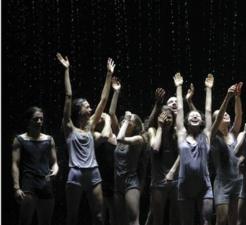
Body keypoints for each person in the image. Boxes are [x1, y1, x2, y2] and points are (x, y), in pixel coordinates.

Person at [56, 53, 113, 225]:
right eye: (87, 105)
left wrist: (109, 75)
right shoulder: (68, 127)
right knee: (72, 217)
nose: (90, 107)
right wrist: (66, 70)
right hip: (75, 173)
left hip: (93, 172)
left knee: (99, 216)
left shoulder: (90, 127)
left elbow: (103, 100)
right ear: (79, 109)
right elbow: (68, 96)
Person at [174, 73, 214, 225]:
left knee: (206, 222)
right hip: (184, 187)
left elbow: (208, 111)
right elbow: (179, 109)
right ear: (187, 120)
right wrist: (178, 87)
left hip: (204, 187)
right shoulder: (181, 134)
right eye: (192, 115)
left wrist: (208, 89)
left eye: (198, 115)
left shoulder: (206, 135)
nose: (195, 116)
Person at [11, 106, 59, 225]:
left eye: (41, 119)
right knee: (24, 221)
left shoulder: (49, 139)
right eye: (36, 119)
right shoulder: (20, 139)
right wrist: (16, 188)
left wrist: (55, 171)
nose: (39, 122)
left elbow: (55, 163)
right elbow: (15, 164)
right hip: (29, 185)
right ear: (28, 120)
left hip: (46, 184)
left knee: (46, 222)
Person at [210, 82, 243, 225]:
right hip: (222, 184)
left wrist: (237, 97)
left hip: (238, 181)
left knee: (234, 221)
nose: (225, 115)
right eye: (222, 115)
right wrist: (227, 97)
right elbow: (217, 119)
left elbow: (239, 114)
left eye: (226, 113)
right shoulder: (212, 137)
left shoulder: (234, 133)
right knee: (222, 220)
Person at [148, 105, 180, 225]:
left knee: (175, 218)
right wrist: (160, 127)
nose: (167, 120)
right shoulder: (153, 130)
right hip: (158, 182)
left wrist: (172, 171)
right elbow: (155, 148)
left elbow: (182, 153)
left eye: (169, 117)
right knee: (158, 219)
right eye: (164, 117)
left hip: (175, 181)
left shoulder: (176, 132)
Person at [114, 111, 147, 225]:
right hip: (118, 182)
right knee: (119, 219)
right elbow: (112, 113)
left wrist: (126, 119)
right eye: (125, 119)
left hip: (131, 182)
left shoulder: (138, 139)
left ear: (136, 126)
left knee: (133, 219)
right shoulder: (119, 135)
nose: (126, 121)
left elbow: (120, 138)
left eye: (130, 120)